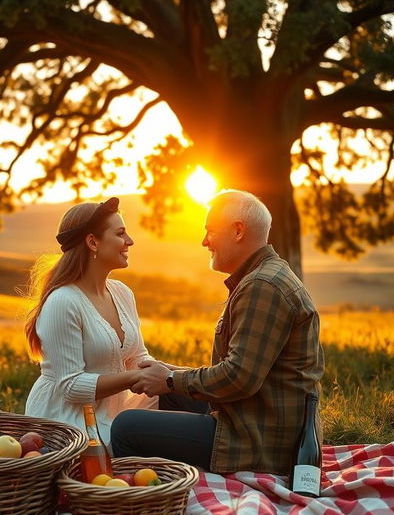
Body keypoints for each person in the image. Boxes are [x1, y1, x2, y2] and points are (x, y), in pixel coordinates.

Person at [111, 190, 325, 475]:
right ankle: (176, 468)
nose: (204, 242)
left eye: (210, 231)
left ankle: (147, 498)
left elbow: (238, 379)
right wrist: (168, 374)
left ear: (238, 231)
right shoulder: (264, 275)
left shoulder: (263, 286)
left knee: (127, 427)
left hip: (260, 441)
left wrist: (171, 379)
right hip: (255, 417)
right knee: (170, 396)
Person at [24, 197, 158, 446]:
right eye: (120, 233)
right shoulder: (63, 301)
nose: (130, 241)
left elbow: (138, 358)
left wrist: (181, 375)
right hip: (70, 420)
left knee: (182, 405)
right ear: (93, 242)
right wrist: (134, 379)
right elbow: (71, 386)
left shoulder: (121, 293)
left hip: (115, 410)